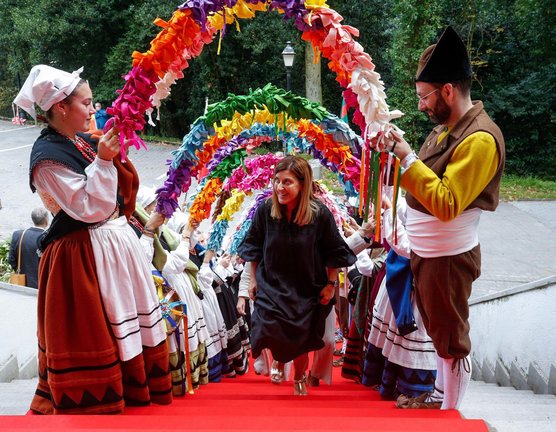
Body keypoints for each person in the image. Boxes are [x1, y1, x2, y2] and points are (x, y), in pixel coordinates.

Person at [14, 64, 171, 414]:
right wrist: (103, 161)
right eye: (85, 103)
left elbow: (121, 190)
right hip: (82, 255)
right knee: (96, 329)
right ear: (61, 108)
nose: (92, 109)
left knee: (122, 324)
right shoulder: (46, 159)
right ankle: (100, 401)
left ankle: (135, 389)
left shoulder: (80, 141)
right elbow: (89, 209)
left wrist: (111, 153)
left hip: (110, 246)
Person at [385, 26, 506, 410]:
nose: (420, 105)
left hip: (449, 256)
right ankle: (440, 397)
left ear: (448, 91)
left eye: (424, 96)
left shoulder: (480, 139)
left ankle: (449, 411)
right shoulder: (445, 131)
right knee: (439, 332)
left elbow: (447, 201)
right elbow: (419, 181)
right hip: (429, 254)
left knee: (450, 338)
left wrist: (405, 158)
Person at [238, 155, 356, 395]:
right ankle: (280, 361)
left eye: (287, 182)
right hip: (271, 284)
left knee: (302, 337)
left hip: (306, 286)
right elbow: (253, 246)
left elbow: (333, 251)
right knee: (269, 328)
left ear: (302, 184)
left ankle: (300, 375)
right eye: (277, 181)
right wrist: (252, 280)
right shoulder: (265, 211)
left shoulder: (320, 215)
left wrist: (331, 285)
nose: (280, 187)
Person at [8, 207, 49, 289]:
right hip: (43, 285)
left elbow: (11, 259)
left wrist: (18, 269)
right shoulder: (49, 238)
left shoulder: (18, 235)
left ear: (32, 219)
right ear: (46, 220)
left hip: (22, 283)